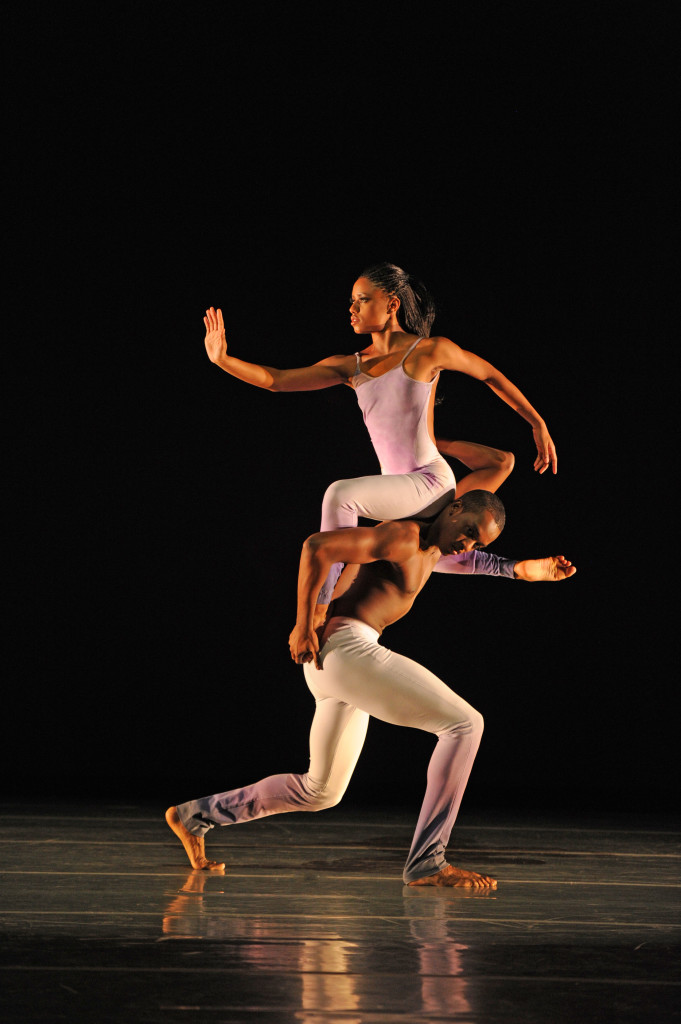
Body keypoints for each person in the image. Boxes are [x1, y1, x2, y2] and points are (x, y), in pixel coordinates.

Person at [166, 490, 576, 886]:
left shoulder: (435, 551)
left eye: (475, 541)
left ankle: (196, 816)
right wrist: (302, 622)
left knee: (320, 791)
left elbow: (478, 562)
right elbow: (316, 546)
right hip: (345, 650)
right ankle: (428, 862)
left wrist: (526, 569)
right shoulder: (403, 536)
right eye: (467, 532)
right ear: (453, 509)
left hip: (339, 667)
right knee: (466, 725)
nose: (465, 545)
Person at [203, 262, 557, 612]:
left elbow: (490, 374)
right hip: (401, 488)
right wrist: (223, 360)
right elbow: (276, 380)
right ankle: (515, 569)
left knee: (341, 495)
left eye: (362, 300)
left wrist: (537, 423)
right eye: (351, 302)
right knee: (416, 550)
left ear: (391, 303)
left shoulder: (429, 351)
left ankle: (319, 607)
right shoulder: (350, 366)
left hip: (431, 480)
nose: (351, 309)